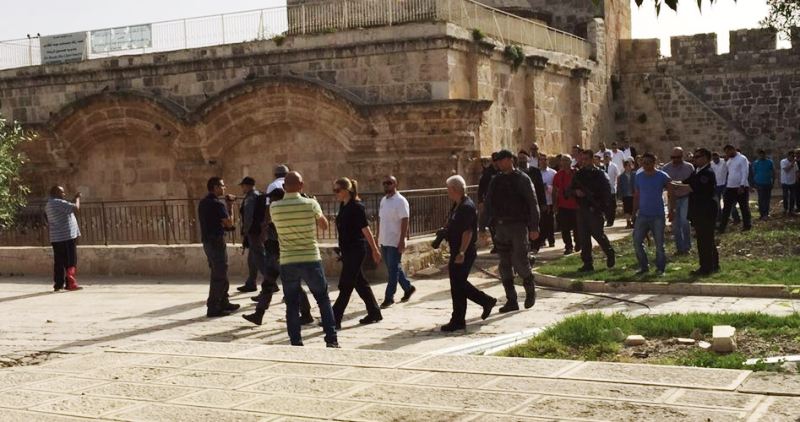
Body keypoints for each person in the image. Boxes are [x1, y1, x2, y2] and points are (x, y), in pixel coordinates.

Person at [269, 171, 339, 348]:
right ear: (302, 185)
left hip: (288, 260)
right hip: (310, 258)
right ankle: (331, 339)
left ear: (284, 187)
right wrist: (315, 207)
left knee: (292, 304)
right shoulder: (311, 204)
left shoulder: (274, 207)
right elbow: (324, 226)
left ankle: (296, 342)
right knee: (322, 299)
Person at [242, 186, 314, 326]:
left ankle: (306, 314)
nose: (271, 201)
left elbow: (274, 233)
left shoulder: (282, 214)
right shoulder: (275, 212)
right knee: (267, 285)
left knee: (294, 285)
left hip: (282, 256)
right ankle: (259, 314)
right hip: (273, 255)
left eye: (273, 198)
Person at [480, 149, 539, 312]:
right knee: (504, 265)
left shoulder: (522, 179)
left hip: (518, 226)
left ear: (509, 160)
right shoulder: (496, 180)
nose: (498, 164)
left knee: (520, 261)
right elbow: (488, 203)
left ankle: (530, 290)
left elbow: (533, 203)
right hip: (501, 227)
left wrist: (534, 226)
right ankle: (511, 300)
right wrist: (482, 225)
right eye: (496, 161)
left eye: (500, 160)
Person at [441, 175, 497, 331]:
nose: (447, 192)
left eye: (448, 189)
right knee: (457, 285)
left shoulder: (466, 206)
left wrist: (461, 252)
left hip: (463, 251)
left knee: (458, 284)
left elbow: (468, 231)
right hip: (457, 250)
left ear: (454, 189)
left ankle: (482, 303)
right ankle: (460, 318)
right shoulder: (457, 205)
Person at [331, 177, 383, 328]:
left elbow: (365, 229)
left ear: (346, 190)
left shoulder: (356, 206)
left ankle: (335, 317)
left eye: (337, 190)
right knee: (360, 282)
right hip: (347, 250)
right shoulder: (343, 205)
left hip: (356, 250)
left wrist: (374, 249)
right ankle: (374, 312)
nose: (335, 193)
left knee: (346, 284)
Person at [198, 177, 239, 317]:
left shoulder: (203, 203)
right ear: (215, 187)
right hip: (216, 241)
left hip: (207, 242)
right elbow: (230, 224)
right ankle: (213, 306)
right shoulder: (218, 204)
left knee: (220, 271)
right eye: (222, 185)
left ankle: (224, 301)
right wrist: (230, 206)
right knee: (219, 273)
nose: (224, 188)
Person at [571, 149, 616, 272]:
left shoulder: (600, 174)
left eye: (586, 159)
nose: (584, 162)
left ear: (592, 159)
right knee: (584, 238)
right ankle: (587, 263)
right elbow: (569, 190)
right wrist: (576, 192)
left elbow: (607, 193)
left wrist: (601, 207)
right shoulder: (579, 174)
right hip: (582, 209)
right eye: (582, 159)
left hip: (595, 210)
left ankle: (610, 253)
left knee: (598, 235)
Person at [378, 175, 416, 308]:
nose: (386, 185)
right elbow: (381, 220)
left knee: (393, 270)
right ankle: (408, 287)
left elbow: (405, 220)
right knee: (393, 268)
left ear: (395, 184)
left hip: (395, 240)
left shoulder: (400, 201)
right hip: (384, 240)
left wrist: (402, 240)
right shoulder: (383, 200)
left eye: (389, 183)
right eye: (385, 183)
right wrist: (378, 237)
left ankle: (389, 297)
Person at [632, 153, 671, 276]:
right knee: (637, 241)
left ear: (654, 162)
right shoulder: (639, 177)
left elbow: (672, 193)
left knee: (659, 244)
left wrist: (672, 210)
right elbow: (637, 195)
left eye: (648, 162)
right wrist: (633, 212)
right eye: (643, 162)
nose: (645, 165)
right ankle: (644, 266)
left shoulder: (662, 176)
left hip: (657, 215)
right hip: (642, 214)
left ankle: (660, 268)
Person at [685, 148, 720, 276]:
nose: (695, 159)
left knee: (704, 240)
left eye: (698, 156)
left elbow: (698, 189)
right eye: (694, 156)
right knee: (706, 239)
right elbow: (686, 182)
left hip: (705, 211)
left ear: (705, 157)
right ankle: (713, 265)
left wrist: (684, 188)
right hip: (698, 210)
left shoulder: (707, 173)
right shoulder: (697, 171)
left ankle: (706, 268)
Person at [45, 186, 83, 292]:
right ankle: (71, 283)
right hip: (66, 237)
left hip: (57, 238)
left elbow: (67, 208)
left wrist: (73, 201)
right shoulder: (57, 202)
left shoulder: (50, 203)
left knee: (59, 262)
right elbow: (75, 208)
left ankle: (58, 284)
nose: (64, 194)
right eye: (62, 192)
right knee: (71, 260)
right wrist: (77, 198)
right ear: (56, 193)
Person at [661, 147, 694, 255]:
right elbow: (664, 185)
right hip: (672, 198)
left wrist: (680, 185)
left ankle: (687, 247)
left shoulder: (689, 167)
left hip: (685, 197)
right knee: (675, 224)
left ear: (682, 156)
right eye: (673, 157)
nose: (675, 159)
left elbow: (693, 183)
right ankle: (679, 248)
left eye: (678, 157)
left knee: (684, 222)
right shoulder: (666, 168)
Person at [236, 177, 264, 293]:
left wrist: (245, 232)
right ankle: (251, 282)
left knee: (259, 258)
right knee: (252, 258)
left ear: (247, 186)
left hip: (253, 232)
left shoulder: (251, 198)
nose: (242, 188)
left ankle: (270, 282)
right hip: (258, 231)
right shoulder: (258, 195)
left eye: (242, 186)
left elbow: (248, 217)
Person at [718, 145, 753, 233]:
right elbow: (727, 171)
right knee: (726, 208)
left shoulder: (742, 158)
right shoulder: (729, 160)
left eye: (728, 152)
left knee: (744, 207)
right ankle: (722, 228)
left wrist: (742, 185)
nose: (727, 154)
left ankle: (747, 226)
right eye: (725, 153)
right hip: (730, 186)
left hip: (741, 187)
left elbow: (745, 172)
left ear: (732, 150)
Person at [519, 150, 547, 253]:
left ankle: (535, 246)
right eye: (520, 158)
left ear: (528, 159)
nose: (521, 160)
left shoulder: (535, 171)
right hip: (521, 206)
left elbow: (540, 188)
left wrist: (543, 203)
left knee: (535, 224)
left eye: (523, 158)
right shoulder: (517, 173)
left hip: (534, 202)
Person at [552, 154, 580, 255]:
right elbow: (554, 191)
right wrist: (555, 205)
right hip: (563, 206)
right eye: (563, 161)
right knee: (565, 228)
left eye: (566, 160)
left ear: (570, 162)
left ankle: (578, 243)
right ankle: (568, 246)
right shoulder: (558, 175)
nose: (564, 163)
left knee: (577, 227)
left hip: (576, 205)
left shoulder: (576, 173)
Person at [537, 153, 557, 248]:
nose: (543, 162)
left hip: (550, 201)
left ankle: (551, 240)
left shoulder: (553, 173)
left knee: (549, 222)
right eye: (541, 160)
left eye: (545, 160)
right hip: (540, 202)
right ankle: (541, 240)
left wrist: (547, 187)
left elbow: (556, 188)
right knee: (541, 222)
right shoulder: (536, 173)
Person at [752, 149, 775, 220]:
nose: (761, 155)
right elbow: (753, 173)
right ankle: (762, 214)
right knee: (761, 199)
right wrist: (754, 183)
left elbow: (773, 172)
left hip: (768, 183)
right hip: (759, 183)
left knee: (767, 199)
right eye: (760, 154)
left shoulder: (769, 162)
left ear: (765, 154)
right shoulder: (756, 163)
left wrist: (773, 181)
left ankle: (766, 214)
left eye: (763, 154)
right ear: (758, 155)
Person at [603, 152, 620, 227]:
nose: (606, 158)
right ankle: (607, 219)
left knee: (612, 206)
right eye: (605, 157)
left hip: (612, 188)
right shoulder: (601, 166)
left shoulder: (614, 166)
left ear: (610, 158)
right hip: (604, 190)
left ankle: (611, 220)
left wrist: (618, 186)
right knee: (606, 205)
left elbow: (618, 176)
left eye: (607, 157)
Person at [618, 158, 636, 228]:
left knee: (634, 208)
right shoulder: (621, 176)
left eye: (630, 165)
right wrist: (620, 195)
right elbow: (620, 186)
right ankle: (628, 222)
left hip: (634, 194)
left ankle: (634, 221)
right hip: (626, 195)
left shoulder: (634, 174)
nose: (629, 167)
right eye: (628, 165)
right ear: (625, 166)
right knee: (627, 209)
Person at [780, 150, 798, 215]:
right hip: (785, 182)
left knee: (792, 197)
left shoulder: (795, 163)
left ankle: (791, 210)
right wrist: (792, 163)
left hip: (793, 182)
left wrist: (797, 179)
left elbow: (796, 171)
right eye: (792, 156)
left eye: (794, 156)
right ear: (788, 156)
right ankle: (785, 209)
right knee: (785, 196)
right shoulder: (783, 161)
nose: (793, 157)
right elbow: (786, 170)